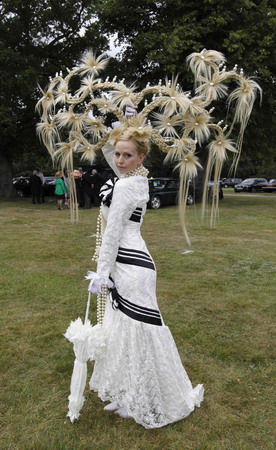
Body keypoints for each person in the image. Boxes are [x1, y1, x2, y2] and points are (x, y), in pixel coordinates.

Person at [87, 132, 204, 429]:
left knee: (138, 330)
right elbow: (111, 150)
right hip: (127, 262)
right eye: (117, 154)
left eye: (128, 155)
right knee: (122, 330)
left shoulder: (126, 186)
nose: (120, 160)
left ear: (141, 159)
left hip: (131, 265)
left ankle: (144, 396)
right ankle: (127, 392)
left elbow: (113, 232)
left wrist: (101, 272)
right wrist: (121, 127)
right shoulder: (135, 180)